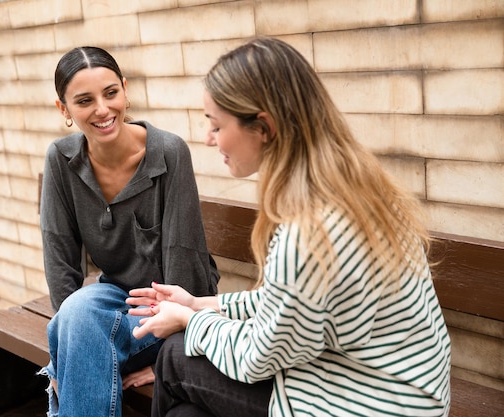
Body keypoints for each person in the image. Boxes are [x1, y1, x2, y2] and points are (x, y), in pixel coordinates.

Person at [127, 37, 451, 417]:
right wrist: (204, 302)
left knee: (175, 356)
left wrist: (189, 319)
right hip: (403, 390)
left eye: (216, 125)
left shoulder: (309, 227)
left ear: (263, 126)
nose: (208, 138)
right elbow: (290, 308)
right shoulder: (356, 185)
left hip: (373, 401)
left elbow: (259, 356)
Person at [38, 46, 219, 417]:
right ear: (64, 109)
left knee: (82, 326)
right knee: (77, 312)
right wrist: (64, 348)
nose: (103, 110)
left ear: (125, 89)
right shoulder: (61, 159)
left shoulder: (168, 153)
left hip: (171, 308)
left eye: (110, 93)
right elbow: (59, 259)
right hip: (111, 302)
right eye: (84, 100)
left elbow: (186, 260)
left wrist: (176, 347)